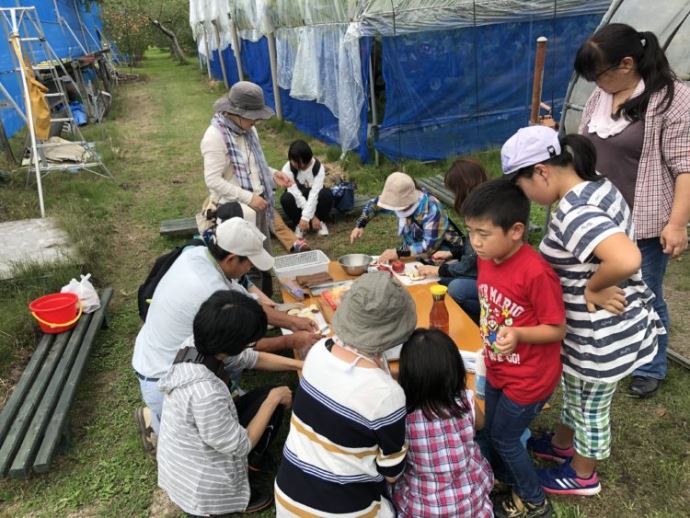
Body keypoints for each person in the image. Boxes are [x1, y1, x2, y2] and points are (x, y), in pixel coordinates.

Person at [504, 126, 663, 497]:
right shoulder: (596, 183)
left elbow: (625, 257)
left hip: (598, 339)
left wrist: (594, 286)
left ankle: (582, 474)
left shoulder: (573, 212)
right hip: (600, 330)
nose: (524, 197)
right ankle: (562, 443)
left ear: (541, 171)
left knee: (589, 406)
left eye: (521, 186)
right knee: (577, 394)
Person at [132, 217, 319, 451]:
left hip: (157, 356)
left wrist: (293, 322)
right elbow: (249, 347)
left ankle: (160, 416)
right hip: (163, 375)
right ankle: (159, 421)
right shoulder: (206, 289)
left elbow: (247, 308)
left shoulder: (199, 255)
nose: (250, 268)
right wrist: (291, 341)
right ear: (232, 258)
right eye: (249, 262)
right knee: (203, 444)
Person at [574, 23, 690, 397]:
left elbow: (685, 167)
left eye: (599, 73)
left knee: (645, 293)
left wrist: (676, 224)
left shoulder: (672, 99)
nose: (595, 82)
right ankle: (616, 351)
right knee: (605, 287)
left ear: (626, 64)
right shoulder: (600, 95)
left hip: (643, 224)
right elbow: (585, 143)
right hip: (598, 217)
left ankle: (651, 365)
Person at [460, 179, 566, 518]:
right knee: (490, 428)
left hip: (530, 378)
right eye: (471, 231)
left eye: (483, 233)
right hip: (498, 367)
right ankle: (502, 478)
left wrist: (519, 336)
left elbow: (557, 328)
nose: (475, 242)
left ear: (516, 230)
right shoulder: (488, 257)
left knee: (506, 437)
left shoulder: (535, 272)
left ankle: (535, 501)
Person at [274, 272, 416, 516]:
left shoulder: (318, 350)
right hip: (343, 510)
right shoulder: (386, 394)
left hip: (288, 498)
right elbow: (392, 474)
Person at [157, 290, 299, 515]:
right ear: (234, 343)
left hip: (201, 441)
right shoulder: (205, 394)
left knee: (267, 397)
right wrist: (274, 399)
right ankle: (237, 494)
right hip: (201, 485)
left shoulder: (198, 344)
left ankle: (247, 466)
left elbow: (253, 358)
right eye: (249, 341)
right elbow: (241, 445)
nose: (250, 346)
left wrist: (300, 366)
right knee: (271, 400)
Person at [198, 81, 309, 253]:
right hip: (234, 209)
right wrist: (248, 198)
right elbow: (212, 180)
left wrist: (272, 174)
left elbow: (252, 165)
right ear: (236, 112)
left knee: (262, 253)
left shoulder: (248, 131)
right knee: (243, 259)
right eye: (253, 116)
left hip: (258, 201)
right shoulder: (214, 137)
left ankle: (264, 278)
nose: (256, 121)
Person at [394, 328, 493, 518]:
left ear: (408, 375)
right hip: (471, 504)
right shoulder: (465, 400)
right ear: (455, 369)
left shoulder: (402, 414)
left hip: (423, 509)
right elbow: (481, 425)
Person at [416, 159, 488, 322]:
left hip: (488, 278)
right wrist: (452, 253)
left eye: (455, 191)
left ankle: (477, 319)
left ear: (464, 189)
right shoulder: (478, 207)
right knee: (442, 281)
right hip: (477, 271)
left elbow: (471, 262)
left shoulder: (483, 213)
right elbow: (472, 248)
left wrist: (438, 270)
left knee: (454, 287)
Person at [350, 172, 462, 263]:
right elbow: (374, 204)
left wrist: (398, 252)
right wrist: (361, 224)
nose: (394, 208)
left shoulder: (432, 209)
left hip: (443, 253)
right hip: (413, 249)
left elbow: (428, 247)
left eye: (398, 205)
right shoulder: (397, 197)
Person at [279, 139, 334, 238]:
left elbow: (315, 194)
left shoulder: (318, 167)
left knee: (326, 194)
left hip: (313, 201)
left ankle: (320, 222)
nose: (294, 164)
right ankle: (299, 225)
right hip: (299, 202)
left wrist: (310, 217)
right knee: (286, 198)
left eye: (297, 161)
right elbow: (296, 195)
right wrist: (308, 217)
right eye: (292, 160)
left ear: (306, 158)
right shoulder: (287, 169)